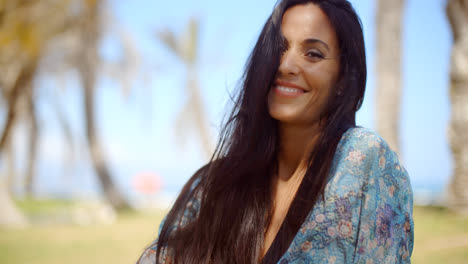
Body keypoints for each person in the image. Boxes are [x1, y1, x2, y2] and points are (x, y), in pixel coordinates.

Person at [137, 0, 414, 263]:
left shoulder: (360, 160)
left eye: (313, 54)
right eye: (279, 49)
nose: (285, 66)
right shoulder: (215, 186)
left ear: (342, 79)